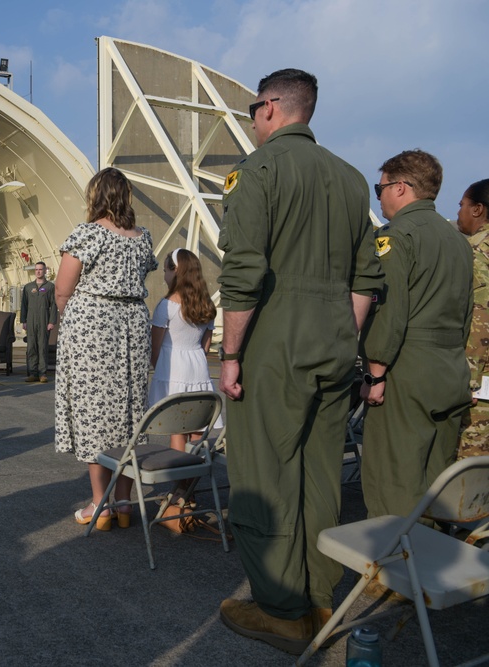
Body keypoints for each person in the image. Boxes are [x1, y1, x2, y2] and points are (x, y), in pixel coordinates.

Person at [215, 69, 384, 654]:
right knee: (319, 476)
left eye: (251, 110)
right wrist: (341, 332)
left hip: (274, 343)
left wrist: (231, 354)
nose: (250, 121)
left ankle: (281, 611)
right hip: (336, 344)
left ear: (270, 108)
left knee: (264, 474)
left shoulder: (256, 171)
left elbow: (244, 272)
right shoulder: (352, 177)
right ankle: (317, 596)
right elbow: (367, 278)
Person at [361, 151, 472, 518]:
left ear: (401, 187)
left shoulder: (396, 237)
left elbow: (388, 312)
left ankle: (393, 572)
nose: (379, 196)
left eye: (380, 188)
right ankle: (431, 567)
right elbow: (466, 312)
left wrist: (375, 373)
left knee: (393, 483)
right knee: (436, 484)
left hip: (407, 373)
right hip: (450, 370)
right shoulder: (457, 240)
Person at [54, 167, 157, 532]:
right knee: (128, 415)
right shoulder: (142, 238)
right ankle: (125, 502)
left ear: (97, 196)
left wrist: (78, 321)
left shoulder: (88, 233)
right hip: (131, 327)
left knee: (94, 414)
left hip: (92, 330)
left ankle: (100, 504)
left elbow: (63, 289)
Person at [147, 248, 221, 453]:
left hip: (172, 369)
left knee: (177, 428)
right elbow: (205, 346)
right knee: (197, 427)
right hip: (198, 368)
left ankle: (180, 482)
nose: (164, 275)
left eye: (165, 270)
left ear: (176, 271)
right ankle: (191, 479)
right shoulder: (206, 305)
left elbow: (155, 348)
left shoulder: (166, 305)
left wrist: (158, 367)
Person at [457, 179, 489, 459]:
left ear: (478, 209)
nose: (459, 213)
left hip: (482, 393)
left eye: (462, 205)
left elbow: (479, 321)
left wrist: (468, 382)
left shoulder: (476, 254)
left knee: (470, 475)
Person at [20, 261, 57, 382]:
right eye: (36, 269)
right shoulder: (28, 287)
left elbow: (54, 305)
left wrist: (51, 322)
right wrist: (23, 321)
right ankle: (33, 373)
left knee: (42, 347)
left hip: (44, 320)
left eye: (40, 269)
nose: (38, 271)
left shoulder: (50, 287)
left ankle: (42, 374)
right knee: (31, 347)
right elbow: (24, 305)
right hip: (30, 321)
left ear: (45, 271)